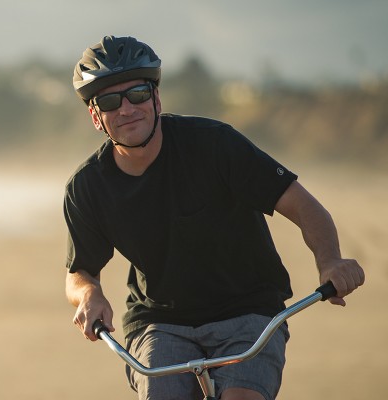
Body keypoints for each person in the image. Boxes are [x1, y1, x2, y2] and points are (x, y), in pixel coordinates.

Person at [64, 35, 365, 400]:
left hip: (249, 312)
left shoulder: (215, 145)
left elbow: (304, 206)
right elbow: (79, 272)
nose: (127, 109)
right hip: (161, 324)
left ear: (156, 98)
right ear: (97, 117)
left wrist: (330, 260)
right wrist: (89, 295)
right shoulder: (87, 187)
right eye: (111, 101)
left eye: (138, 94)